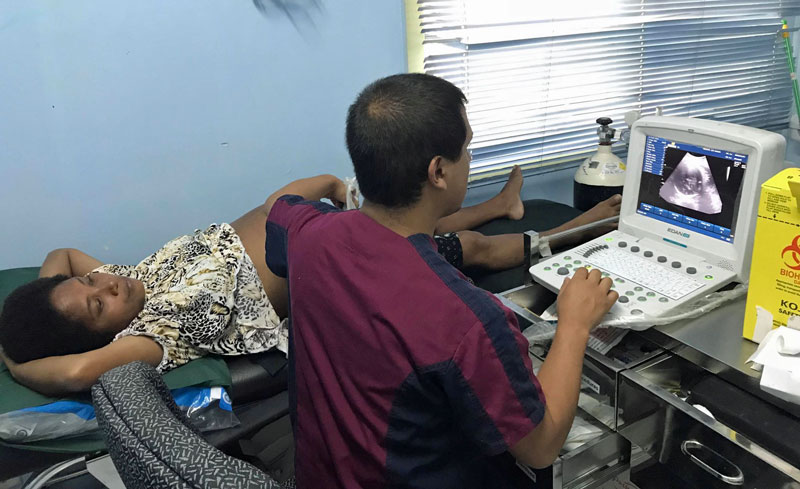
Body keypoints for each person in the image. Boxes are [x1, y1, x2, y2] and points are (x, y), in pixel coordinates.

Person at [265, 73, 618, 489]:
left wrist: (335, 188)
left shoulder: (306, 234)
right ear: (438, 172)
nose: (470, 158)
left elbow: (277, 206)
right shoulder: (467, 321)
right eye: (467, 148)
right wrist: (574, 326)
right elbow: (540, 446)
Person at [0, 165, 611, 396]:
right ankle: (583, 226)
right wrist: (18, 360)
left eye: (95, 284)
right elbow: (78, 369)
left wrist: (36, 307)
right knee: (464, 248)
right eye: (98, 307)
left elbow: (59, 256)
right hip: (337, 263)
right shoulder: (158, 332)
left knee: (420, 219)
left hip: (314, 224)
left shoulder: (125, 279)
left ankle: (501, 204)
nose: (108, 287)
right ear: (102, 337)